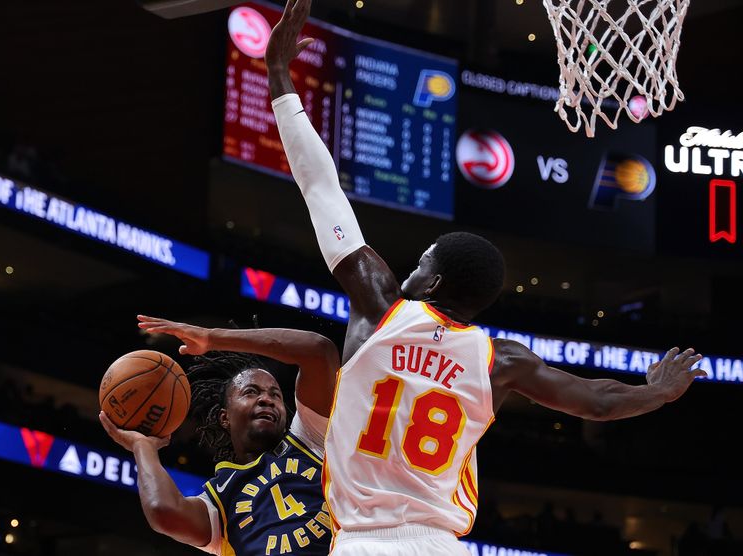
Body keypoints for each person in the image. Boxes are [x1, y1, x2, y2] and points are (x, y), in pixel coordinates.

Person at [264, 1, 707, 554]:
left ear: (430, 283)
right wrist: (657, 393)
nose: (412, 267)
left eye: (421, 261)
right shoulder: (500, 360)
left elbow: (321, 187)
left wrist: (280, 78)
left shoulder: (380, 308)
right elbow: (595, 400)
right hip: (445, 545)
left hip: (365, 541)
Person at [100, 317, 339, 556]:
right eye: (251, 392)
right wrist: (143, 447)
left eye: (275, 395)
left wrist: (212, 338)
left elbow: (318, 351)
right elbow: (163, 511)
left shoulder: (310, 439)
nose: (266, 399)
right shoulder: (219, 500)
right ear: (225, 418)